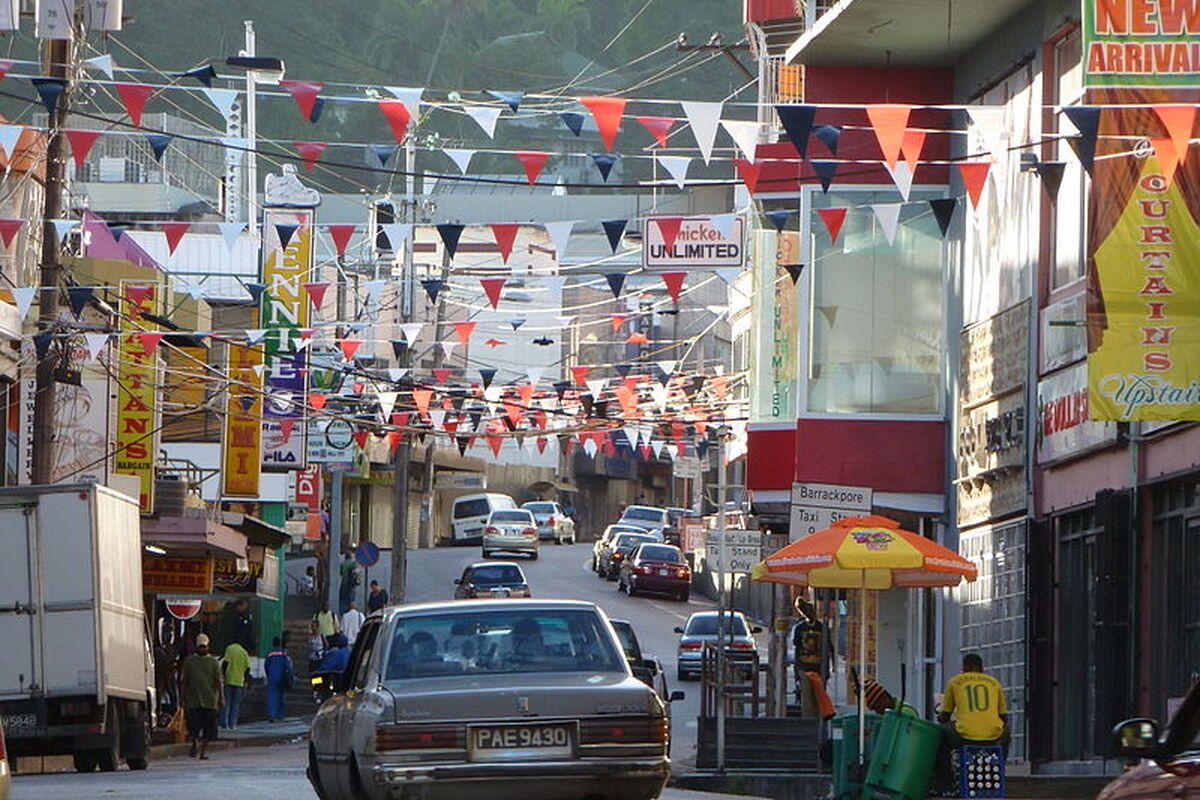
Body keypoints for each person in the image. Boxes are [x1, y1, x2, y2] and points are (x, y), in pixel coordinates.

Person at [933, 653, 1009, 792]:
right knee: (1006, 731)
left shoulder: (955, 681)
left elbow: (945, 716)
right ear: (981, 668)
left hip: (964, 737)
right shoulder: (994, 682)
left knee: (940, 734)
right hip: (993, 738)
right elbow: (1004, 717)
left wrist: (939, 716)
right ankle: (997, 773)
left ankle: (945, 784)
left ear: (964, 667)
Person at [180, 633, 223, 759]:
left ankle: (203, 751)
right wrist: (182, 698)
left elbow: (219, 682)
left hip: (210, 701)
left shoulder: (213, 662)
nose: (203, 649)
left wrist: (221, 697)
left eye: (204, 647)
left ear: (208, 647)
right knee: (193, 728)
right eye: (200, 647)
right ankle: (195, 743)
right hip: (193, 701)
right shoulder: (189, 662)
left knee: (208, 730)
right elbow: (184, 682)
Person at [220, 639, 251, 730]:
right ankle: (232, 724)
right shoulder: (244, 652)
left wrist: (223, 675)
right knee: (236, 704)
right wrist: (245, 680)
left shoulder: (229, 649)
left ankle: (223, 723)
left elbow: (225, 663)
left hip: (229, 680)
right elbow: (248, 668)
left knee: (226, 703)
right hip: (239, 682)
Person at [264, 637, 294, 722]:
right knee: (281, 697)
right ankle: (280, 715)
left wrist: (268, 675)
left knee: (271, 697)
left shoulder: (269, 654)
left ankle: (271, 715)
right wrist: (291, 677)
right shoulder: (283, 654)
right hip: (282, 677)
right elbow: (288, 666)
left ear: (272, 643)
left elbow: (266, 666)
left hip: (272, 678)